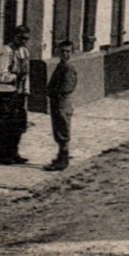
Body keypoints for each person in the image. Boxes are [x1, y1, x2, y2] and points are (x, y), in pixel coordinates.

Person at [0, 24, 32, 165]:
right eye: (21, 38)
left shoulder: (24, 52)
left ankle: (14, 153)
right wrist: (14, 77)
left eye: (26, 39)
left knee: (18, 125)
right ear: (14, 36)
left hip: (18, 94)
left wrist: (26, 90)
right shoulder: (6, 51)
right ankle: (3, 155)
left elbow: (27, 74)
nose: (24, 41)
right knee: (3, 126)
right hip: (5, 95)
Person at [45, 39, 78, 172]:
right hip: (58, 101)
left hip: (62, 101)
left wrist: (53, 93)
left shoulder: (68, 67)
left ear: (72, 52)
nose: (65, 54)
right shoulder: (62, 65)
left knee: (62, 129)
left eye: (68, 51)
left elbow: (67, 87)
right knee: (59, 128)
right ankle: (61, 157)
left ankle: (62, 161)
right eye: (63, 51)